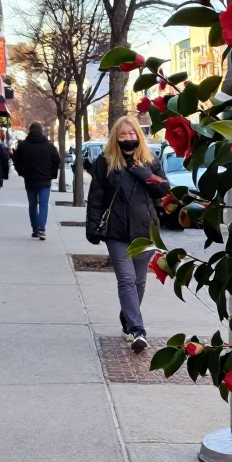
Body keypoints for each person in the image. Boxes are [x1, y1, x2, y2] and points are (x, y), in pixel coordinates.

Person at [86, 115, 169, 353]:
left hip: (145, 230)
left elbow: (164, 191)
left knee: (139, 282)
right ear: (115, 137)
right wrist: (92, 227)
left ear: (138, 136)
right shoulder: (105, 163)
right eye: (122, 135)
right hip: (116, 230)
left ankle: (127, 319)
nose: (127, 138)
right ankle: (137, 330)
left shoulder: (150, 160)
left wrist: (144, 173)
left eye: (131, 134)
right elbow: (96, 198)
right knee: (126, 279)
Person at [12, 121, 60, 240]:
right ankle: (42, 229)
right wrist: (52, 174)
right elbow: (56, 160)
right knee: (43, 204)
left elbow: (16, 160)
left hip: (30, 179)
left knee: (32, 205)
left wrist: (21, 172)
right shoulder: (49, 146)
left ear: (30, 131)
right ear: (41, 131)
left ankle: (35, 229)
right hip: (45, 180)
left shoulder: (23, 145)